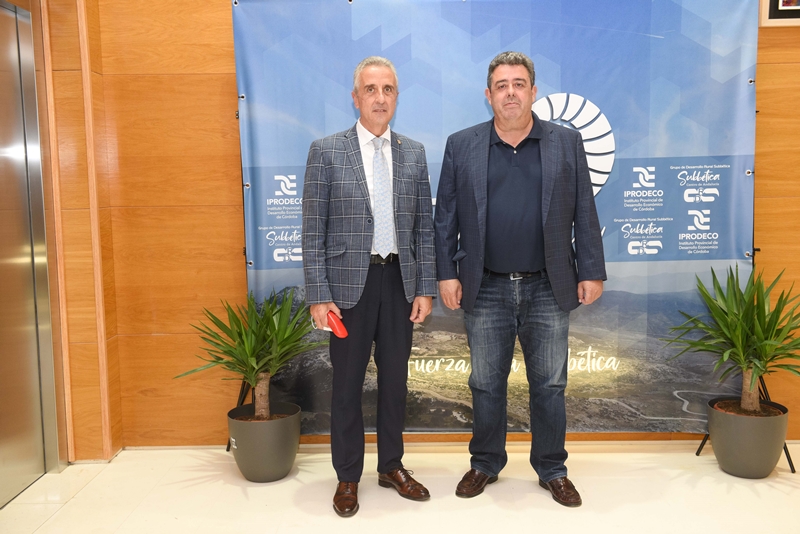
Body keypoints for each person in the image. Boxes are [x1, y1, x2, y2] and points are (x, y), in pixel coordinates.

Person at [434, 51, 606, 507]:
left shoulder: (566, 142)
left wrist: (591, 270)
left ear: (533, 91)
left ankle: (552, 468)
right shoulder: (462, 144)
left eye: (519, 84)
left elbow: (584, 210)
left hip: (548, 284)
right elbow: (444, 217)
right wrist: (446, 274)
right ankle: (485, 463)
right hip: (485, 285)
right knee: (485, 383)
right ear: (488, 94)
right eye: (502, 85)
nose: (510, 92)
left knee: (549, 384)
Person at [302, 56, 437, 518]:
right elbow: (312, 230)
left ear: (396, 97)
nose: (380, 98)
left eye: (388, 89)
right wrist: (319, 294)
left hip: (399, 283)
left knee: (396, 383)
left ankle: (391, 466)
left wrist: (424, 288)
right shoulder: (326, 151)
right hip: (345, 290)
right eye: (371, 89)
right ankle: (347, 476)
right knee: (346, 386)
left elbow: (423, 230)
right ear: (355, 97)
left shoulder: (414, 152)